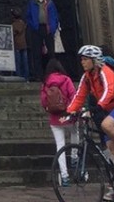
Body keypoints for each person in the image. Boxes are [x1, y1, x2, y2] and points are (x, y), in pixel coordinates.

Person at [64, 44, 114, 202]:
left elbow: (108, 90)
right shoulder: (87, 77)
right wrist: (70, 112)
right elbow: (79, 95)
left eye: (85, 59)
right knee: (110, 149)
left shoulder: (105, 71)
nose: (82, 62)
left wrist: (97, 107)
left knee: (106, 125)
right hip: (112, 110)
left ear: (94, 60)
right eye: (82, 59)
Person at [41, 56, 77, 186]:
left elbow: (44, 101)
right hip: (67, 116)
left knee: (60, 146)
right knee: (75, 132)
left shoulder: (46, 82)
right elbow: (74, 96)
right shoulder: (66, 80)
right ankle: (74, 155)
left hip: (55, 119)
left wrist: (49, 109)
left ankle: (65, 176)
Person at [25, 0, 60, 78]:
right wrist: (33, 26)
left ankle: (53, 73)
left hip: (48, 28)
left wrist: (53, 27)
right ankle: (38, 75)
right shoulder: (32, 3)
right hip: (37, 29)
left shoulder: (50, 3)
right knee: (36, 52)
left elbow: (55, 16)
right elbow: (28, 17)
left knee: (51, 52)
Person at [11, 8, 30, 81]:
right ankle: (26, 77)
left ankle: (19, 76)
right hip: (24, 44)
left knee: (18, 62)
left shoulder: (14, 24)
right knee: (25, 62)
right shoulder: (23, 23)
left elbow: (15, 32)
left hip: (17, 45)